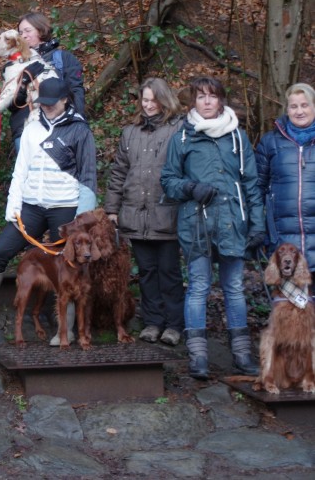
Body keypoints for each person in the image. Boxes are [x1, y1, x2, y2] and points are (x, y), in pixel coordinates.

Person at [0, 75, 97, 342]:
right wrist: (13, 206)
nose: (46, 106)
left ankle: (64, 331)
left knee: (68, 265)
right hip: (31, 207)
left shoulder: (79, 130)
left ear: (65, 100)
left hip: (65, 207)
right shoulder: (32, 128)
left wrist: (80, 219)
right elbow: (20, 171)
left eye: (52, 102)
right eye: (43, 102)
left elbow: (88, 176)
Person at [161, 76, 264, 380]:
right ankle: (198, 357)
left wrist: (257, 226)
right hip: (197, 223)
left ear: (221, 100)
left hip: (233, 222)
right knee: (198, 287)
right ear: (193, 101)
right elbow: (168, 180)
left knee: (234, 287)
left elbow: (251, 184)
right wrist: (190, 187)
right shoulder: (182, 138)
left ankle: (242, 355)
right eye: (201, 96)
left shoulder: (238, 138)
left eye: (212, 96)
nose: (207, 101)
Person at [104, 77, 184, 346]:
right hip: (135, 214)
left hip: (167, 215)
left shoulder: (179, 129)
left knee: (169, 272)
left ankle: (174, 325)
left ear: (165, 100)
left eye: (154, 100)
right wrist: (112, 208)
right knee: (147, 272)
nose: (148, 105)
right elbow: (119, 172)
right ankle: (152, 322)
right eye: (145, 100)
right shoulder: (131, 132)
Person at [255, 82, 315, 288]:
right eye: (294, 106)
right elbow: (257, 188)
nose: (299, 111)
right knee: (288, 305)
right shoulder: (270, 142)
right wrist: (259, 229)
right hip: (284, 244)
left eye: (305, 105)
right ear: (287, 110)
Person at [9, 12, 85, 154]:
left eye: (27, 31)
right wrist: (23, 84)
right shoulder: (15, 64)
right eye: (20, 33)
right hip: (25, 130)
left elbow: (76, 91)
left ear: (41, 30)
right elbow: (12, 104)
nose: (23, 36)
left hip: (59, 128)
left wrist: (78, 123)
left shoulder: (63, 58)